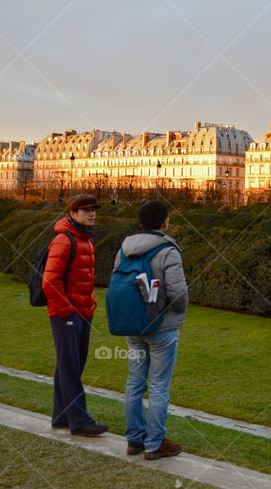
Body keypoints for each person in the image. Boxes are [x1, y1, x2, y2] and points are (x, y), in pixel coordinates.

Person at [118, 200, 188, 459]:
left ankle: (134, 440)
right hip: (161, 326)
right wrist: (178, 312)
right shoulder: (169, 250)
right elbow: (178, 292)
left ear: (140, 223)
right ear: (165, 222)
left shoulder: (124, 249)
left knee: (134, 383)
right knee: (159, 385)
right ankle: (154, 443)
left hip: (133, 324)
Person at [43, 193, 108, 437]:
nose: (91, 213)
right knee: (70, 366)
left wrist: (88, 305)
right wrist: (68, 311)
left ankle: (61, 415)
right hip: (68, 313)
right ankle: (79, 420)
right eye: (85, 210)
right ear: (72, 213)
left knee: (71, 365)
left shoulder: (85, 239)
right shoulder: (64, 240)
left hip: (82, 311)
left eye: (93, 209)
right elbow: (50, 282)